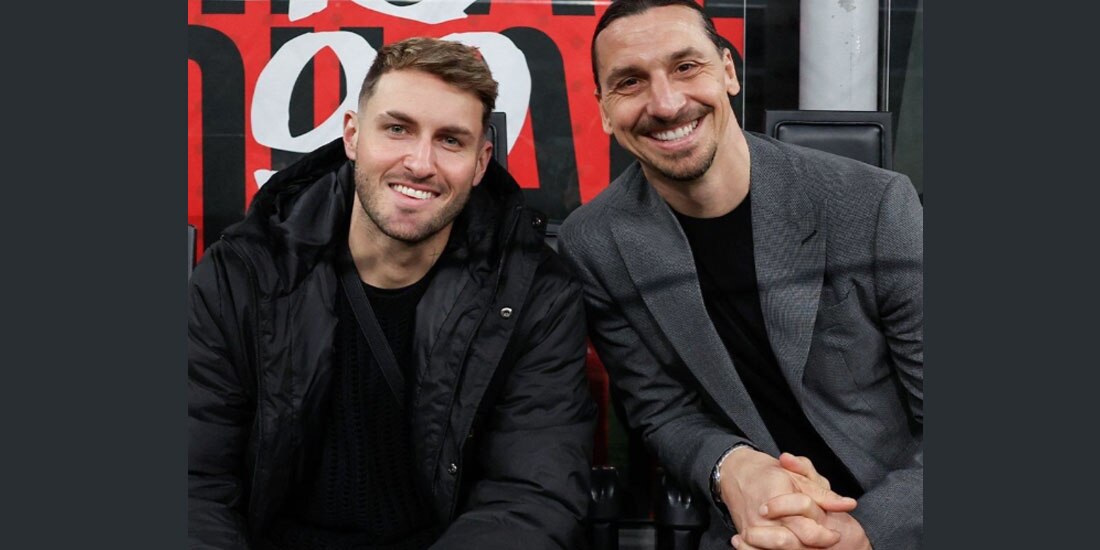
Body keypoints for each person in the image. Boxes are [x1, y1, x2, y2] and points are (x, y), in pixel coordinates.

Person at [188, 37, 596, 550]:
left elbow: (531, 494)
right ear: (353, 136)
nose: (419, 163)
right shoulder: (243, 271)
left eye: (450, 140)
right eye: (398, 129)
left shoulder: (534, 292)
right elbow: (193, 481)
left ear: (480, 161)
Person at [558, 1, 923, 549]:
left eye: (686, 67)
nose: (665, 102)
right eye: (630, 82)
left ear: (728, 72)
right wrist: (732, 467)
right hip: (747, 530)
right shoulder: (594, 243)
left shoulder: (873, 205)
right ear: (605, 110)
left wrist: (867, 531)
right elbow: (662, 411)